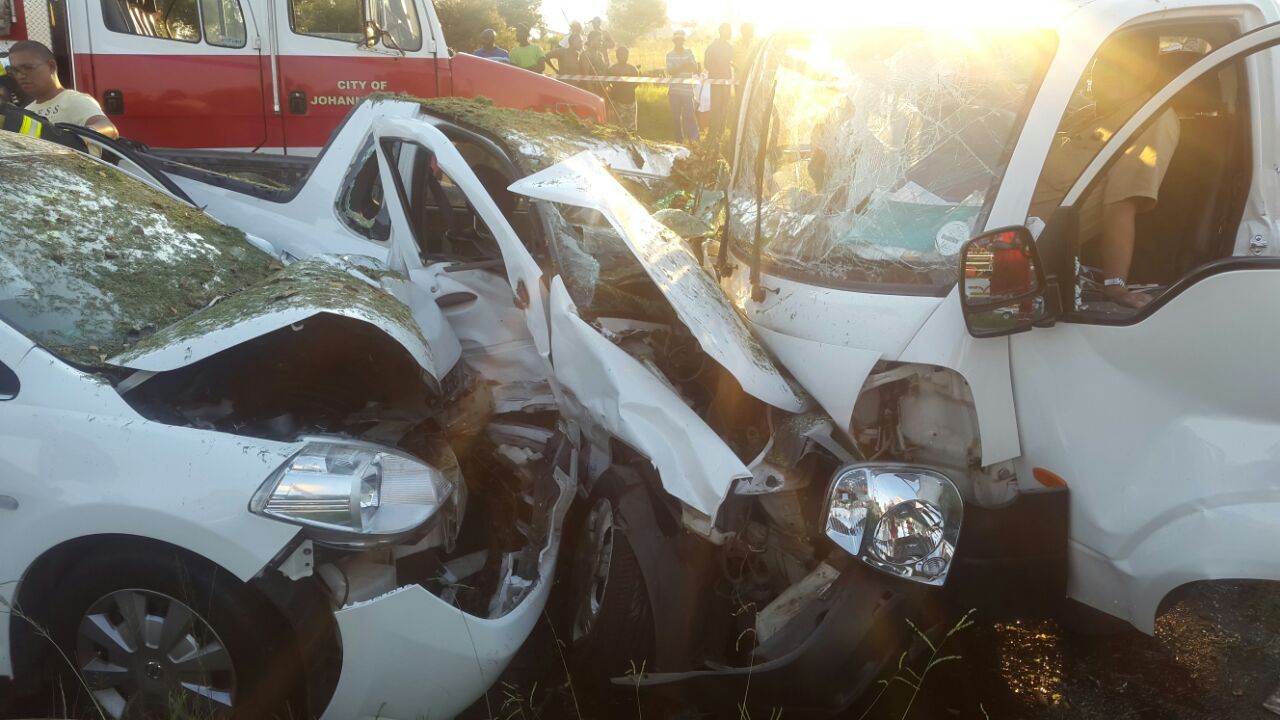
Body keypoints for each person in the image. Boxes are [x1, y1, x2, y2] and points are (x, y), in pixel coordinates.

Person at [1031, 32, 1179, 309]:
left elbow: (1121, 206)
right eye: (1102, 63)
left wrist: (1115, 286)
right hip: (986, 222)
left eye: (1121, 67)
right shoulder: (1092, 113)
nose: (1105, 75)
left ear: (1148, 69)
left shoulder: (1150, 119)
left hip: (1022, 252)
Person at [8, 40, 117, 138]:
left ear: (51, 66)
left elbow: (109, 129)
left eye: (27, 68)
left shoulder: (75, 100)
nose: (20, 76)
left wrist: (73, 138)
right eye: (15, 71)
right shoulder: (26, 111)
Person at [666, 29, 699, 143]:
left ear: (683, 41)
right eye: (677, 40)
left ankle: (693, 140)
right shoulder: (669, 55)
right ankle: (679, 141)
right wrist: (684, 65)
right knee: (676, 117)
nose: (679, 41)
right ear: (674, 41)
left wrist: (679, 67)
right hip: (674, 90)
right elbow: (670, 71)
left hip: (687, 90)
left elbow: (695, 69)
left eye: (681, 39)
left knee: (690, 115)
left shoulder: (689, 52)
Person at [704, 23, 733, 141]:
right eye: (728, 30)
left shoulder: (730, 47)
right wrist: (717, 70)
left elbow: (730, 62)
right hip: (716, 81)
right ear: (722, 31)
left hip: (726, 81)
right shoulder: (712, 47)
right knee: (716, 107)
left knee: (724, 107)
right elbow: (707, 64)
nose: (731, 33)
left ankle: (720, 134)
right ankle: (712, 133)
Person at [607, 46, 639, 133]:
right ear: (617, 56)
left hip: (631, 101)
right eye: (621, 54)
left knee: (632, 128)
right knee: (618, 128)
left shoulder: (633, 69)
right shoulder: (612, 69)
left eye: (626, 54)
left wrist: (627, 87)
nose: (624, 56)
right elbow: (607, 84)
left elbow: (636, 83)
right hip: (617, 101)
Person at [582, 30, 609, 97]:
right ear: (591, 41)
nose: (601, 43)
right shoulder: (586, 55)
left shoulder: (599, 55)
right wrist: (592, 94)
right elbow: (586, 76)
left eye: (601, 41)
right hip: (590, 90)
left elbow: (604, 71)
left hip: (601, 89)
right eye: (599, 40)